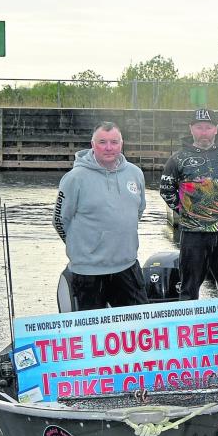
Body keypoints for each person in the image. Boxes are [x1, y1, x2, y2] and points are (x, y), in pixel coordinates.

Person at [52, 121, 148, 311]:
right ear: (92, 144)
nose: (109, 147)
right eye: (102, 142)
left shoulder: (135, 174)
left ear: (122, 144)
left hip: (127, 267)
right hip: (88, 273)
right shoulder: (74, 178)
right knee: (90, 333)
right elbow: (60, 221)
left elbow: (138, 211)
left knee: (139, 327)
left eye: (114, 142)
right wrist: (83, 246)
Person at [159, 108, 218, 300]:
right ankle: (190, 327)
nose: (203, 132)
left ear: (216, 129)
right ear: (191, 129)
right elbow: (166, 190)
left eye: (208, 127)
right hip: (193, 236)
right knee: (189, 290)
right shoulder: (177, 159)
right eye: (199, 127)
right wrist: (188, 211)